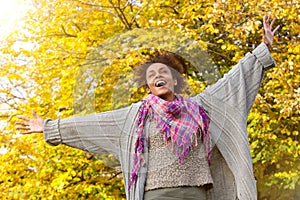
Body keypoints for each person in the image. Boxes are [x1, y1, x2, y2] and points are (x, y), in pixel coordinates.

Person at [16, 15, 280, 200]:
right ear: (148, 87)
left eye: (163, 71)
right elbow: (93, 125)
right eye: (151, 74)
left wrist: (263, 48)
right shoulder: (136, 116)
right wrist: (48, 127)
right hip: (156, 195)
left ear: (174, 79)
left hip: (197, 194)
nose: (157, 75)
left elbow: (233, 81)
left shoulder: (200, 108)